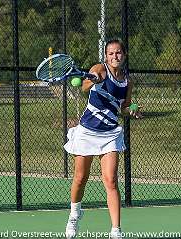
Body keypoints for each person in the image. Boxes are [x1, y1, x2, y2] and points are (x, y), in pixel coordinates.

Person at [64, 38, 140, 239]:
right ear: (106, 56)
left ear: (124, 55)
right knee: (80, 179)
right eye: (111, 53)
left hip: (110, 134)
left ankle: (116, 230)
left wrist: (131, 110)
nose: (115, 56)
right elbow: (84, 87)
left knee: (111, 181)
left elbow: (123, 108)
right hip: (87, 131)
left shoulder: (127, 82)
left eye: (118, 53)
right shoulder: (100, 68)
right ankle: (74, 214)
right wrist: (94, 79)